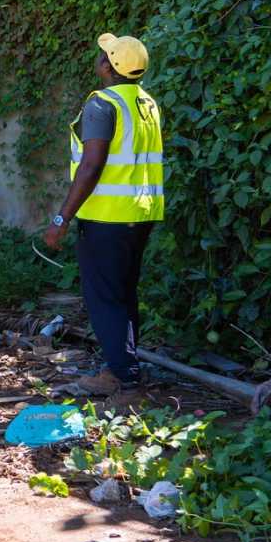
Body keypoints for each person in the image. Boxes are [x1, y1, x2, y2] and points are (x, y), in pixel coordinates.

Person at [42, 33, 165, 397]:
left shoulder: (102, 104)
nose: (98, 60)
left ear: (108, 67)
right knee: (124, 294)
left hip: (107, 217)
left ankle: (124, 378)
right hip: (140, 213)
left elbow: (92, 165)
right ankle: (121, 366)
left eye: (101, 56)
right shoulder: (146, 103)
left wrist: (62, 218)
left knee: (105, 297)